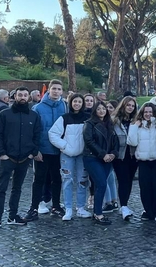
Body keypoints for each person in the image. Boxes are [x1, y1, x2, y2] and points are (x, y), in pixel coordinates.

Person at [0, 87, 42, 230]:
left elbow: (37, 135)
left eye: (25, 95)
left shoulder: (33, 115)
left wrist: (32, 153)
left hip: (24, 158)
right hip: (7, 157)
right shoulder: (4, 113)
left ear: (28, 97)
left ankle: (13, 215)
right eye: (20, 95)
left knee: (17, 188)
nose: (22, 97)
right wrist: (1, 153)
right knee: (1, 189)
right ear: (14, 97)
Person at [26, 80, 66, 220]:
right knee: (39, 179)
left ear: (61, 91)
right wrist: (35, 150)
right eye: (54, 89)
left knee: (57, 179)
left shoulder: (64, 106)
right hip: (42, 150)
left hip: (59, 150)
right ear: (49, 90)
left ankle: (55, 205)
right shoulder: (38, 108)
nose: (56, 91)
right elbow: (33, 131)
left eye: (59, 89)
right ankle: (34, 207)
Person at [48, 93, 89, 221]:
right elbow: (53, 134)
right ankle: (68, 208)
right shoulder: (64, 118)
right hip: (67, 154)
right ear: (70, 103)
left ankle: (81, 208)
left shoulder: (87, 118)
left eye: (79, 102)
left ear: (82, 104)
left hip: (83, 155)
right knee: (67, 180)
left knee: (82, 181)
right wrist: (64, 146)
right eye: (74, 101)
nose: (77, 104)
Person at [82, 102, 119, 225]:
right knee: (102, 183)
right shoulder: (89, 124)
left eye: (104, 109)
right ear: (95, 111)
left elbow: (115, 141)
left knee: (100, 185)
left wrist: (113, 153)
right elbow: (89, 141)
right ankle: (98, 213)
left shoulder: (110, 124)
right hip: (92, 157)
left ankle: (97, 212)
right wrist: (103, 154)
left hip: (108, 158)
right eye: (99, 109)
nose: (102, 111)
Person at [127, 103, 156, 221]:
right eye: (146, 112)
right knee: (145, 188)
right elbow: (132, 142)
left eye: (150, 112)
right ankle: (148, 211)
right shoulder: (137, 126)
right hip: (143, 161)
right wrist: (133, 127)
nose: (148, 114)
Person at [111, 96, 139, 221]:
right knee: (123, 180)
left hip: (133, 155)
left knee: (129, 180)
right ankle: (123, 206)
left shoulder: (137, 120)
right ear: (123, 105)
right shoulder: (114, 120)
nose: (130, 108)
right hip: (120, 156)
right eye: (128, 105)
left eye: (132, 106)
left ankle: (125, 205)